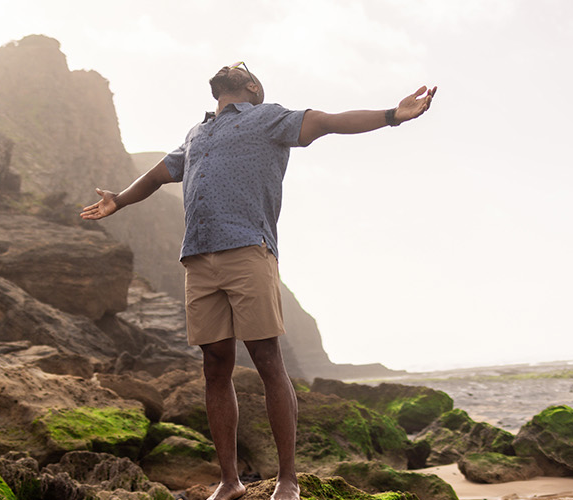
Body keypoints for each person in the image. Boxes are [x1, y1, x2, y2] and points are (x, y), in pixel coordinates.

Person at [80, 61, 435, 500]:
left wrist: (390, 116)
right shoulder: (197, 134)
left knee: (268, 360)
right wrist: (120, 200)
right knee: (215, 368)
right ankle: (229, 481)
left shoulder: (268, 118)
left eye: (242, 69)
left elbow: (325, 122)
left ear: (251, 86)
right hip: (197, 258)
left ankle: (288, 479)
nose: (234, 68)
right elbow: (156, 176)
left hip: (248, 250)